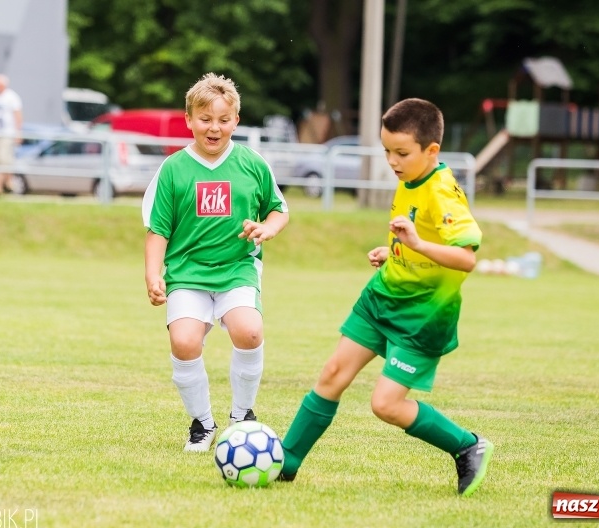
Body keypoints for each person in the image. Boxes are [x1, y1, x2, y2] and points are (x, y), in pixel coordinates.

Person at [278, 98, 494, 496]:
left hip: (423, 316)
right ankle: (286, 463)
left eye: (401, 153)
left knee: (386, 405)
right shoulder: (410, 177)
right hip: (382, 298)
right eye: (386, 151)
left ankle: (467, 445)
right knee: (332, 375)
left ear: (432, 151)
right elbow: (411, 235)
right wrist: (392, 250)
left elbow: (465, 259)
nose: (392, 161)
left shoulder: (443, 192)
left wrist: (415, 243)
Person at [142, 73, 289, 452]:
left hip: (237, 268)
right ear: (189, 119)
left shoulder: (253, 164)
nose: (214, 127)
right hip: (187, 274)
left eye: (224, 120)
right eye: (205, 119)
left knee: (249, 331)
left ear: (236, 121)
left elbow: (278, 210)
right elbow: (158, 229)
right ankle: (202, 424)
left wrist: (267, 229)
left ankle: (241, 417)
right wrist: (153, 273)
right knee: (184, 341)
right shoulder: (173, 169)